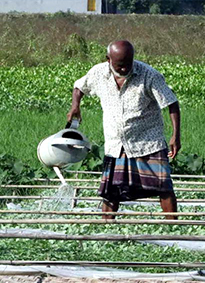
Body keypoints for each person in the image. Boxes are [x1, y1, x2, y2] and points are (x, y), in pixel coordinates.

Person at [67, 40, 180, 220]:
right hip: (116, 143)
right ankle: (107, 229)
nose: (124, 68)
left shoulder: (149, 75)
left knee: (163, 186)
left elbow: (171, 103)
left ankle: (174, 227)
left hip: (147, 141)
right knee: (111, 190)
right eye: (119, 65)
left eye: (128, 63)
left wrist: (175, 136)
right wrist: (75, 106)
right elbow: (79, 87)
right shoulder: (98, 73)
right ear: (108, 59)